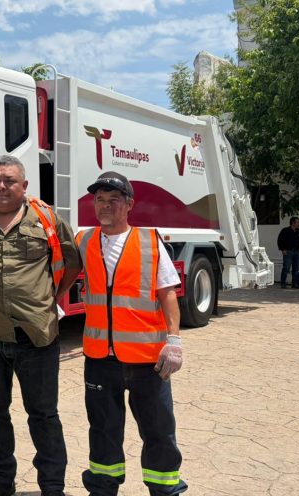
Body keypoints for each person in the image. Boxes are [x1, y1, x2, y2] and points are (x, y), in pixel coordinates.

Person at [0, 155, 82, 496]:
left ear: (24, 186)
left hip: (36, 335)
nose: (1, 186)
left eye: (9, 180)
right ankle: (0, 479)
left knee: (43, 414)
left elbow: (72, 263)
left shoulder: (46, 219)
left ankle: (52, 485)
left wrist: (52, 298)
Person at [77, 171, 188, 496]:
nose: (105, 205)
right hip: (100, 359)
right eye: (100, 199)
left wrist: (174, 341)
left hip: (147, 361)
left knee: (158, 431)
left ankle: (165, 490)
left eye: (114, 200)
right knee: (103, 431)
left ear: (129, 205)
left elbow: (167, 293)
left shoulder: (149, 242)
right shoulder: (84, 241)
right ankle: (102, 488)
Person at [277, 217, 299, 288]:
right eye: (297, 222)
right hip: (288, 251)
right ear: (293, 223)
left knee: (296, 269)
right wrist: (283, 249)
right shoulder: (285, 230)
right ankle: (283, 283)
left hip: (297, 252)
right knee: (286, 268)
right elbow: (280, 240)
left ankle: (295, 284)